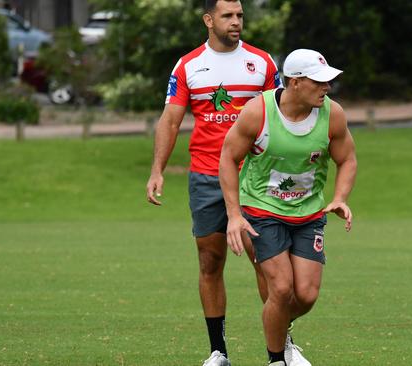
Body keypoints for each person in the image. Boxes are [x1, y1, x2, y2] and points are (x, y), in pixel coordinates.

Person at [145, 1, 281, 365]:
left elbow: (283, 114)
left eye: (239, 15)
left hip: (254, 176)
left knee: (265, 261)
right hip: (206, 175)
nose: (236, 22)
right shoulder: (188, 65)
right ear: (209, 20)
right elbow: (170, 121)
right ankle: (218, 352)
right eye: (227, 16)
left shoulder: (264, 63)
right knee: (209, 261)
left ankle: (282, 351)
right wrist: (157, 169)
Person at [219, 48, 357, 366]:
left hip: (308, 215)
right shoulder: (258, 112)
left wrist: (340, 197)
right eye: (319, 81)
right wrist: (234, 214)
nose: (327, 87)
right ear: (295, 82)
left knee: (305, 295)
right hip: (263, 211)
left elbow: (347, 158)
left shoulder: (332, 114)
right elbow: (228, 157)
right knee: (280, 288)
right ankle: (276, 359)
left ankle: (278, 323)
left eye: (328, 81)